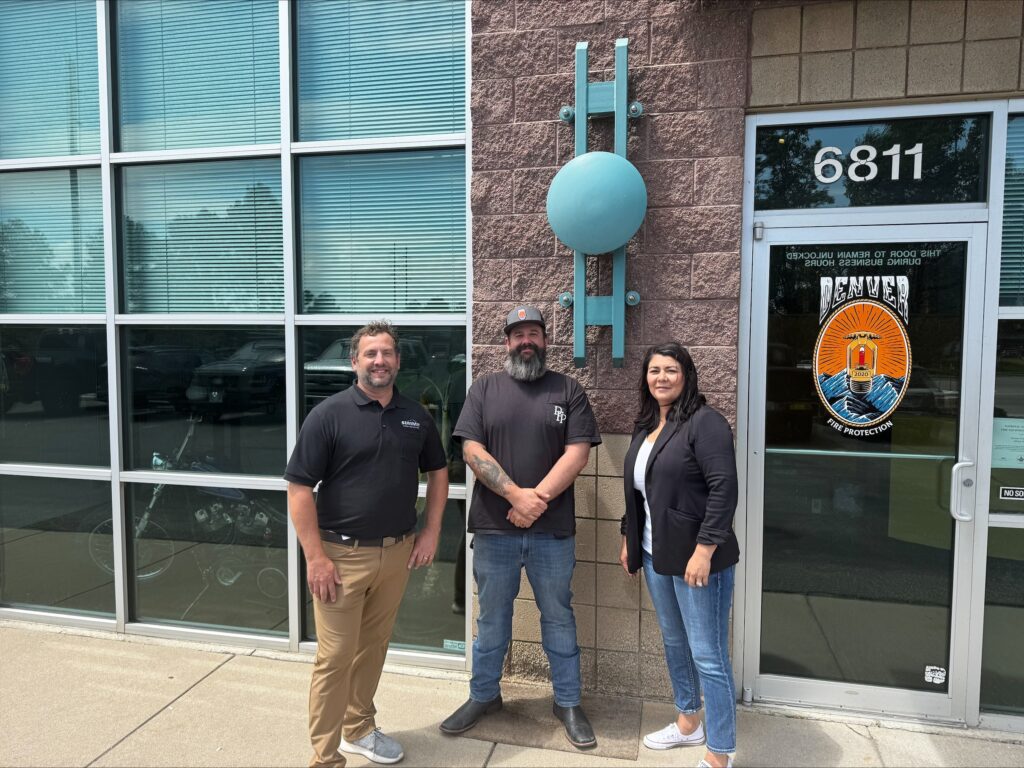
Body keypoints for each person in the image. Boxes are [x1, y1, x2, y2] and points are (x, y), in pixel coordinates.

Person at [285, 320, 449, 768]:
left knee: (373, 648)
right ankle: (325, 757)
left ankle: (359, 728)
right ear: (354, 361)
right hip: (340, 557)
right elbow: (298, 488)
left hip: (396, 554)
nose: (380, 361)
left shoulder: (417, 415)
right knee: (335, 657)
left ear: (398, 360)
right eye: (371, 354)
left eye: (388, 353)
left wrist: (430, 531)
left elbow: (438, 472)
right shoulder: (330, 415)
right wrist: (315, 557)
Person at [439, 306, 601, 749]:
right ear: (506, 342)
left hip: (552, 534)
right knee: (492, 619)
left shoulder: (568, 390)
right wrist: (515, 496)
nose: (525, 341)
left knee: (559, 618)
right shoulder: (485, 389)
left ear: (545, 340)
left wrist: (536, 501)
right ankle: (483, 695)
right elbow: (471, 450)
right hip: (495, 530)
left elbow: (577, 455)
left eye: (533, 333)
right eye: (517, 334)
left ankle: (567, 702)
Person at [618, 342, 740, 768]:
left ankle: (720, 752)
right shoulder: (648, 423)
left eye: (671, 370)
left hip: (697, 562)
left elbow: (725, 489)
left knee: (708, 653)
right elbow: (641, 490)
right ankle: (690, 722)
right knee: (675, 643)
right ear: (645, 378)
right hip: (656, 555)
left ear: (686, 375)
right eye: (654, 370)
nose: (662, 378)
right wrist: (628, 537)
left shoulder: (705, 423)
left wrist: (705, 549)